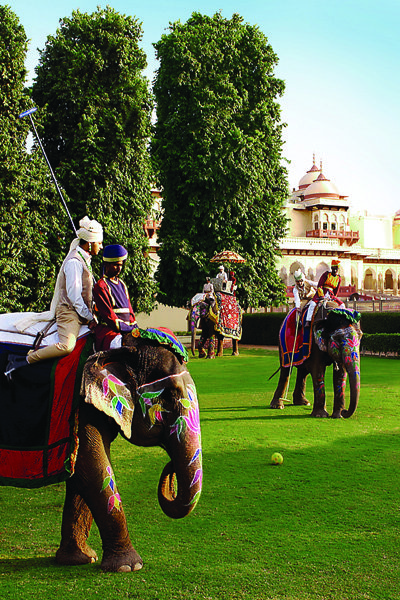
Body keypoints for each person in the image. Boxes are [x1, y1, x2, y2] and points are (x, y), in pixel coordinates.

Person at [6, 216, 103, 375]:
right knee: (67, 346)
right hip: (70, 312)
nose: (101, 246)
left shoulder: (86, 260)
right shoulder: (74, 262)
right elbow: (74, 297)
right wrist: (90, 317)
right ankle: (24, 360)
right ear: (90, 243)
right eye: (99, 243)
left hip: (82, 311)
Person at [93, 244, 139, 351]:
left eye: (121, 265)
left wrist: (135, 329)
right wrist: (128, 330)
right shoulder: (101, 286)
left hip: (128, 330)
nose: (119, 269)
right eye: (115, 265)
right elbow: (109, 317)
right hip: (110, 332)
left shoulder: (122, 285)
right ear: (107, 264)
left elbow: (130, 313)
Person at [306, 259, 344, 325]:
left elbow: (336, 290)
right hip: (322, 293)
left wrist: (334, 298)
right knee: (312, 304)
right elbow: (320, 285)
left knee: (342, 305)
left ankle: (342, 320)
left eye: (336, 269)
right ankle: (308, 320)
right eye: (333, 269)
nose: (335, 270)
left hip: (331, 295)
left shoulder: (338, 278)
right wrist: (321, 296)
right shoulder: (326, 274)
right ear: (331, 268)